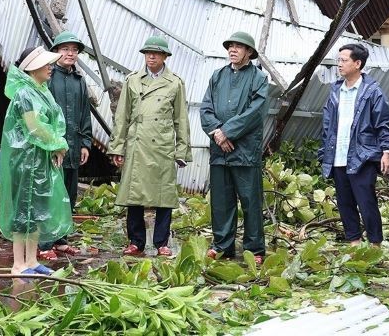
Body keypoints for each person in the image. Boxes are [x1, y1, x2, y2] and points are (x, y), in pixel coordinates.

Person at [108, 36, 191, 257]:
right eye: (147, 53)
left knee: (164, 195)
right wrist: (117, 147)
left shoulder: (175, 83)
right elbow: (122, 116)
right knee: (134, 194)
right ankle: (136, 241)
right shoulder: (132, 80)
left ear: (165, 56)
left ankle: (161, 242)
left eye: (156, 53)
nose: (151, 56)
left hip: (162, 145)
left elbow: (181, 119)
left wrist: (182, 150)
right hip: (137, 142)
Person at [0, 46, 73, 278]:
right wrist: (58, 144)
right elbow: (34, 127)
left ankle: (31, 260)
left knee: (37, 211)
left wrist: (56, 146)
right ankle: (18, 264)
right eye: (45, 64)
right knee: (23, 211)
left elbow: (51, 123)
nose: (50, 67)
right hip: (26, 161)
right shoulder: (25, 93)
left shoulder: (41, 90)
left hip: (40, 159)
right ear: (32, 68)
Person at [200, 32, 269, 264]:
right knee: (221, 201)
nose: (232, 49)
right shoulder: (217, 76)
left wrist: (227, 131)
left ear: (249, 52)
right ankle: (222, 246)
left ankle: (254, 249)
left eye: (239, 46)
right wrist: (218, 133)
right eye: (230, 46)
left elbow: (256, 112)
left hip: (245, 151)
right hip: (220, 151)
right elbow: (206, 109)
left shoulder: (258, 78)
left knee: (250, 201)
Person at [319, 43, 389, 246]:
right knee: (345, 202)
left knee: (366, 201)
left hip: (363, 156)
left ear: (358, 63)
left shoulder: (372, 91)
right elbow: (327, 126)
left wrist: (386, 151)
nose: (339, 64)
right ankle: (354, 242)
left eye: (344, 60)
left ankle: (375, 243)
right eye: (338, 60)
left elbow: (383, 122)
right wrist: (324, 153)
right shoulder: (335, 90)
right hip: (338, 155)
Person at [38, 30, 93, 260]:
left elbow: (85, 114)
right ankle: (44, 243)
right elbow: (41, 115)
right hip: (53, 149)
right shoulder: (48, 77)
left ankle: (61, 240)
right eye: (65, 49)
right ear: (56, 52)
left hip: (73, 147)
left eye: (74, 50)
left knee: (69, 195)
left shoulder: (79, 81)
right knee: (50, 194)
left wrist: (85, 143)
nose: (70, 54)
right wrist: (51, 144)